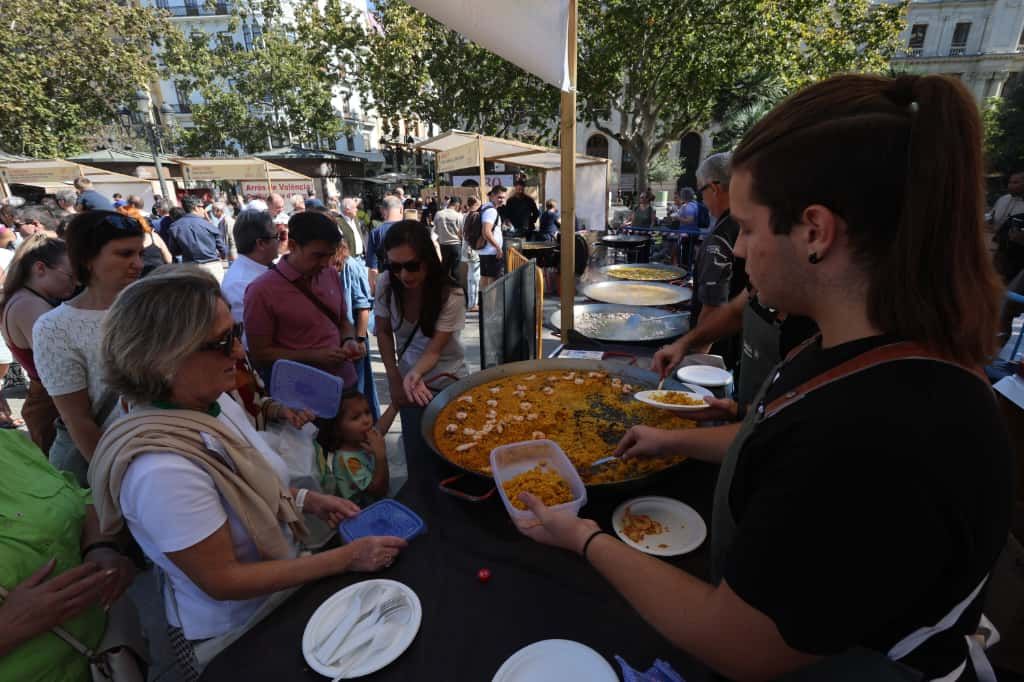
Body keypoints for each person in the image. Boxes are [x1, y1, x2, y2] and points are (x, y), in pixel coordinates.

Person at [519, 73, 1012, 682]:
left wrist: (584, 538)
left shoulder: (880, 428)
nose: (742, 250)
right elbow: (773, 440)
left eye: (749, 228)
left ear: (814, 231)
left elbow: (739, 642)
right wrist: (671, 438)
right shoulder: (853, 349)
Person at [89, 269, 406, 679]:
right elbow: (224, 580)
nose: (240, 352)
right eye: (223, 341)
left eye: (234, 331)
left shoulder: (213, 404)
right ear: (165, 358)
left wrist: (307, 500)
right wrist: (345, 558)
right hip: (235, 632)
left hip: (276, 599)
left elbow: (251, 485)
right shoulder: (161, 470)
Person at [0, 430, 137, 682]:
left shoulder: (8, 444)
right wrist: (7, 628)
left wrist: (100, 547)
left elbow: (79, 499)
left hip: (107, 660)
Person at [34, 211, 145, 486]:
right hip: (103, 464)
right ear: (87, 259)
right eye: (124, 254)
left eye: (140, 253)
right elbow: (78, 420)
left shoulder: (152, 306)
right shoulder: (54, 327)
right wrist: (117, 481)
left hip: (162, 450)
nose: (137, 263)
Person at [374, 220, 467, 474]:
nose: (404, 275)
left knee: (453, 456)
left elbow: (434, 350)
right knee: (417, 457)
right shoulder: (386, 284)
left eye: (412, 266)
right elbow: (382, 331)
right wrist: (395, 377)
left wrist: (415, 374)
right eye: (395, 266)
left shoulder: (450, 294)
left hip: (447, 380)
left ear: (427, 259)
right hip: (409, 387)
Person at [244, 211, 364, 388]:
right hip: (302, 399)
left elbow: (343, 321)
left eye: (329, 255)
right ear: (293, 245)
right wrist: (314, 356)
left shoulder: (330, 274)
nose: (325, 263)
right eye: (318, 255)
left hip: (345, 385)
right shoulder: (261, 291)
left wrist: (349, 341)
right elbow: (259, 354)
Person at [1, 235, 77, 450]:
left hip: (47, 401)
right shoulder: (30, 306)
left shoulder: (23, 299)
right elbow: (63, 363)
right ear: (40, 268)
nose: (75, 283)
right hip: (52, 404)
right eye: (70, 276)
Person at [688, 152, 748, 369]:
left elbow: (713, 304)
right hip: (739, 346)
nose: (702, 200)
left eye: (701, 192)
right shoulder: (746, 223)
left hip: (717, 355)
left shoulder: (721, 235)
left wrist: (694, 359)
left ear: (713, 188)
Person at [333, 231, 381, 421]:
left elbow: (363, 306)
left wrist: (360, 339)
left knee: (359, 389)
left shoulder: (350, 266)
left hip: (354, 337)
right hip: (340, 340)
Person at [315, 392, 389, 506]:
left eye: (367, 412)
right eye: (355, 417)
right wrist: (380, 456)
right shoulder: (348, 460)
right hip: (364, 513)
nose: (366, 420)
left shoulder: (359, 441)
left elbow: (379, 430)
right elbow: (378, 491)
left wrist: (395, 406)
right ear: (338, 429)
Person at [220, 210, 278, 326]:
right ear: (261, 244)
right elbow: (251, 338)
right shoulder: (239, 284)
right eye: (276, 236)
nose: (279, 241)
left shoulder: (265, 267)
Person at [167, 195, 226, 280]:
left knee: (196, 293)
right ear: (196, 208)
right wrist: (223, 255)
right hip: (212, 266)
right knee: (217, 292)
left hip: (190, 268)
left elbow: (174, 250)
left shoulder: (175, 227)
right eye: (202, 207)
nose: (203, 210)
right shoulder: (207, 224)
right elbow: (222, 247)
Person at [118, 196, 172, 277]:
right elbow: (169, 259)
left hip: (140, 282)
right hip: (160, 277)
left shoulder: (121, 242)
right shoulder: (154, 236)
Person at [365, 195, 404, 292]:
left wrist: (374, 291)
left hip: (386, 285)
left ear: (383, 210)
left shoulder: (375, 232)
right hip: (410, 283)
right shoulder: (411, 229)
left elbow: (373, 268)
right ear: (401, 209)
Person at [991, 170, 1024, 281]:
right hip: (1001, 251)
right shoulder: (1003, 199)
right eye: (1010, 182)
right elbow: (992, 216)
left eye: (1015, 182)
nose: (1010, 185)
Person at [478, 185, 507, 290]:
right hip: (491, 252)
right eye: (499, 197)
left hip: (486, 251)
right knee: (492, 283)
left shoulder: (486, 207)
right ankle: (490, 306)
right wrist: (498, 248)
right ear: (492, 196)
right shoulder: (491, 211)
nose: (501, 200)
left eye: (503, 197)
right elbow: (486, 232)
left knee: (485, 280)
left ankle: (484, 305)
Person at [433, 196, 464, 281]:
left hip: (443, 245)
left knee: (444, 269)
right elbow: (461, 232)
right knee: (455, 270)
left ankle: (444, 288)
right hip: (456, 245)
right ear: (457, 205)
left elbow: (435, 228)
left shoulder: (438, 214)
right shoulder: (459, 216)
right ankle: (458, 288)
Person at [462, 196, 482, 311]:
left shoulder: (465, 215)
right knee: (475, 277)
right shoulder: (475, 215)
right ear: (475, 203)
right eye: (479, 204)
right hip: (473, 248)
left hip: (466, 248)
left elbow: (462, 232)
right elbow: (474, 234)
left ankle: (471, 303)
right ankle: (473, 303)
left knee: (471, 276)